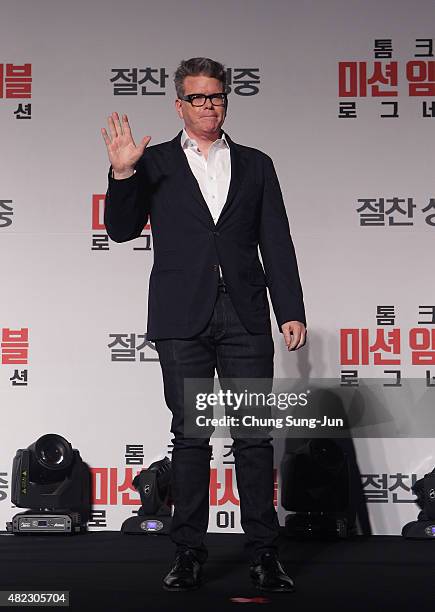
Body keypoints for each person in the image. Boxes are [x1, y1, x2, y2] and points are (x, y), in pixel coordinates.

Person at [102, 57, 306, 593]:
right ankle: (188, 552)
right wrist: (123, 172)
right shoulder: (156, 161)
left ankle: (265, 552)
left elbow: (276, 241)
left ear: (225, 101)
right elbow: (121, 230)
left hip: (244, 313)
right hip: (181, 316)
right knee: (190, 437)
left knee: (254, 439)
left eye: (216, 96)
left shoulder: (257, 163)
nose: (209, 105)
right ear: (179, 104)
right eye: (198, 97)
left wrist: (289, 308)